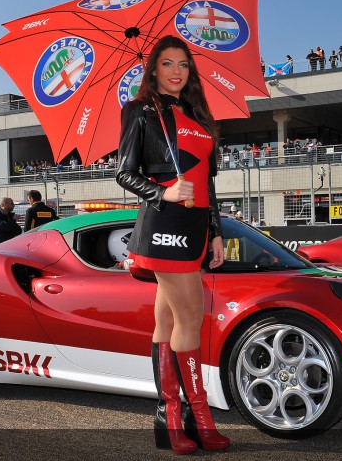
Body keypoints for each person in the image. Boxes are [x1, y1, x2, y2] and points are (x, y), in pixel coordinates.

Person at [115, 35, 228, 454]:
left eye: (183, 64)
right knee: (191, 319)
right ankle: (199, 418)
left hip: (196, 226)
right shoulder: (139, 112)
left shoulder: (198, 113)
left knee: (167, 323)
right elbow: (124, 173)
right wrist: (162, 192)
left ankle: (169, 421)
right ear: (154, 69)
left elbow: (209, 182)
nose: (177, 71)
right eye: (167, 64)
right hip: (163, 223)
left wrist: (216, 231)